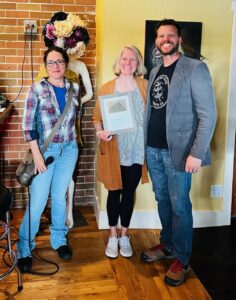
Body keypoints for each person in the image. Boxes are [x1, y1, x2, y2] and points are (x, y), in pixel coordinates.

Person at [140, 19, 217, 286]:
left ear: (179, 39)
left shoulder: (195, 69)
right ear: (157, 41)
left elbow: (208, 115)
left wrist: (197, 152)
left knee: (180, 206)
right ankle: (168, 244)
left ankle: (182, 259)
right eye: (161, 36)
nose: (165, 40)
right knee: (163, 200)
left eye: (170, 35)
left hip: (181, 153)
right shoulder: (155, 70)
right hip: (153, 149)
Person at [17, 46, 80, 273]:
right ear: (45, 66)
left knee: (60, 196)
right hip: (45, 152)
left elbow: (74, 121)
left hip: (69, 149)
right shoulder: (36, 89)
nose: (56, 66)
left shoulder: (74, 88)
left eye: (60, 61)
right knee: (38, 201)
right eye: (51, 62)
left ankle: (59, 239)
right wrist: (37, 156)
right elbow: (27, 127)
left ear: (66, 64)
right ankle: (24, 248)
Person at [92, 45, 149, 259]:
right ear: (118, 62)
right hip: (113, 149)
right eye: (124, 58)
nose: (128, 63)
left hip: (136, 150)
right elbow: (97, 118)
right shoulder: (107, 88)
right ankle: (112, 235)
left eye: (132, 59)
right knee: (114, 191)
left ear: (138, 63)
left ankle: (125, 235)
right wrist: (100, 132)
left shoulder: (145, 85)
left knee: (129, 193)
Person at [38, 11, 93, 228]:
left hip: (72, 125)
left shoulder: (78, 66)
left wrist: (76, 103)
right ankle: (50, 210)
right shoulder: (48, 66)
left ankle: (69, 211)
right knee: (48, 169)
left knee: (69, 170)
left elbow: (88, 93)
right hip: (49, 129)